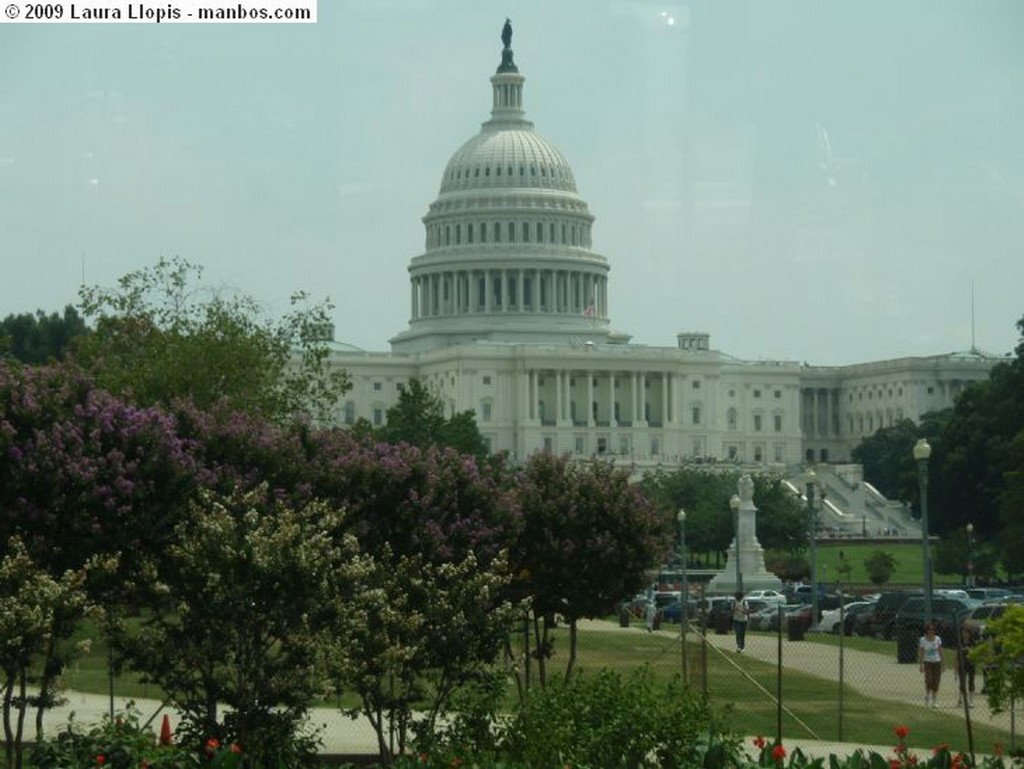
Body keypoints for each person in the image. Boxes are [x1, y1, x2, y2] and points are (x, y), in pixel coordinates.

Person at [918, 623, 943, 707]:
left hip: (937, 662)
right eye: (929, 629)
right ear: (926, 631)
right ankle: (927, 697)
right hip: (927, 662)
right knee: (929, 680)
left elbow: (940, 651)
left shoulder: (937, 639)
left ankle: (934, 701)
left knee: (936, 681)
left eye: (933, 630)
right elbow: (921, 652)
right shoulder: (923, 640)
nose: (931, 631)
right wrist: (921, 664)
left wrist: (943, 663)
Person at [956, 625, 977, 707]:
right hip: (962, 664)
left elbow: (976, 653)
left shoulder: (973, 643)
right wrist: (956, 665)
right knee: (962, 682)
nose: (965, 634)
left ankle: (971, 701)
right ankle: (960, 700)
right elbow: (957, 655)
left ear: (970, 634)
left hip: (971, 664)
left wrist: (970, 650)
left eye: (966, 633)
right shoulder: (960, 642)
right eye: (963, 633)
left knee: (971, 682)